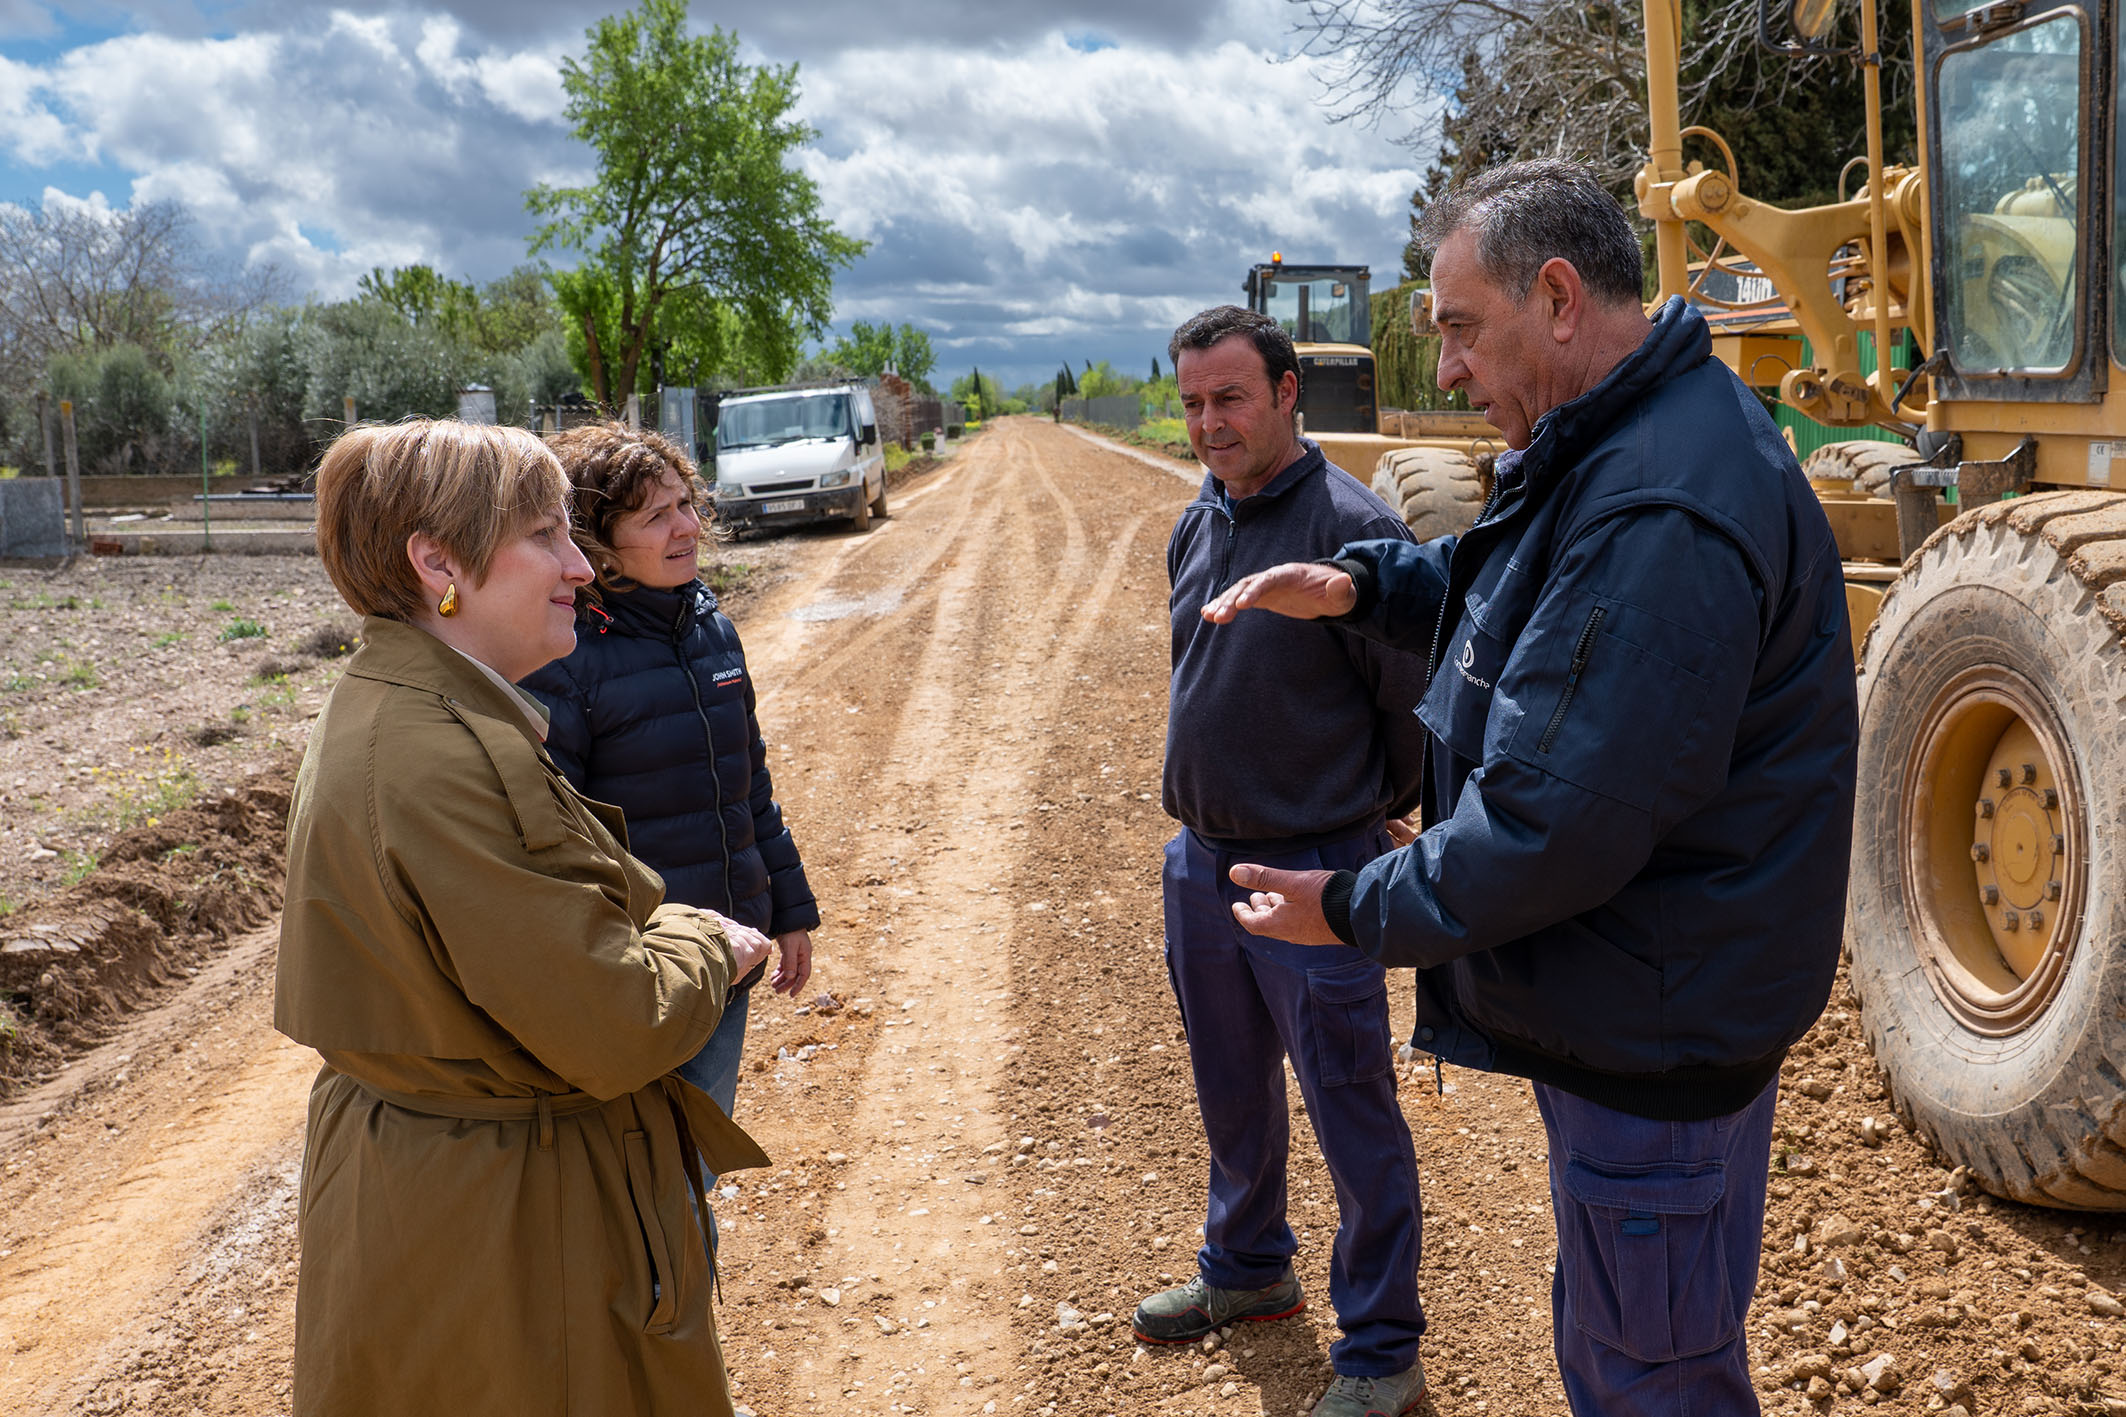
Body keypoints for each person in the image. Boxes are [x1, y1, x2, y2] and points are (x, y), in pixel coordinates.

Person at [1205, 159, 1859, 1415]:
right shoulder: (1627, 438)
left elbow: (1550, 821)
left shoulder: (1658, 503)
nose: (1446, 370)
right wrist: (1365, 586)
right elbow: (1521, 588)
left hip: (1652, 1033)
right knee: (1633, 1345)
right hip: (1645, 1003)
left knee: (1647, 1379)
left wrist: (1344, 907)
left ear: (1556, 297)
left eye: (1459, 329)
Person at [277, 420, 771, 1417]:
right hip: (509, 1238)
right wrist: (704, 940)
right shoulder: (443, 755)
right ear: (438, 562)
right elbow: (616, 1019)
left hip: (454, 1208)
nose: (581, 566)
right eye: (547, 536)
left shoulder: (405, 706)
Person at [1134, 305, 1432, 1417]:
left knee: (1350, 1109)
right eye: (1193, 402)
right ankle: (1249, 1271)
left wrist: (1367, 823)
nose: (1209, 423)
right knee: (1231, 1092)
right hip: (1200, 864)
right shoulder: (1194, 522)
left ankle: (1381, 1353)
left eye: (1230, 399)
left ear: (1287, 392)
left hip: (1312, 872)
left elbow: (1409, 712)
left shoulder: (1353, 529)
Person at [521, 422, 819, 1163]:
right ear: (595, 538)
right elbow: (560, 840)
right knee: (650, 1181)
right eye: (655, 516)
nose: (686, 526)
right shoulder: (568, 653)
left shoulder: (710, 623)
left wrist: (788, 908)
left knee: (694, 1171)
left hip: (729, 958)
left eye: (686, 504)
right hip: (643, 977)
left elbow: (749, 783)